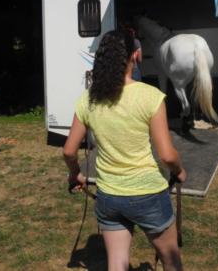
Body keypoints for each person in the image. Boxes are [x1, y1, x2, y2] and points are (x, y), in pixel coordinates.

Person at [63, 30, 186, 271]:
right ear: (136, 55)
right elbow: (167, 155)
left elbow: (68, 151)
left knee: (117, 264)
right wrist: (179, 171)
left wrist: (75, 173)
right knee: (171, 260)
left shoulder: (88, 98)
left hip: (109, 195)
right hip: (148, 193)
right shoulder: (150, 96)